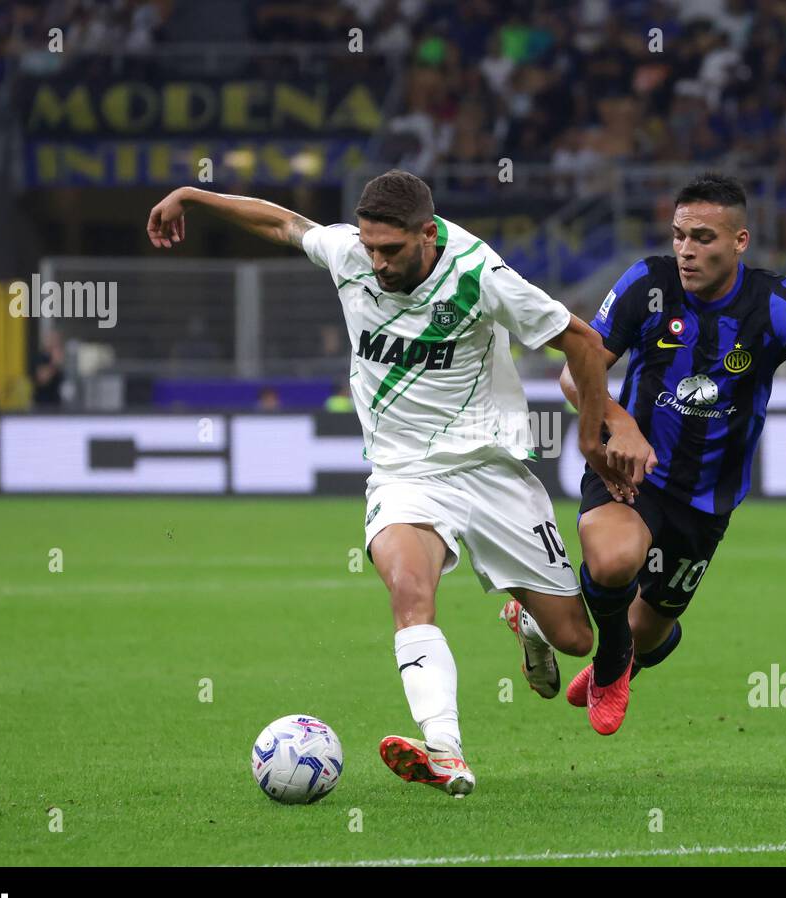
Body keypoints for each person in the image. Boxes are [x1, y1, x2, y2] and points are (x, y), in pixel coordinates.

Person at [147, 170, 651, 797]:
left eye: (391, 250)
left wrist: (588, 438)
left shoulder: (478, 275)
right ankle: (444, 748)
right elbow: (281, 222)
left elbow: (580, 339)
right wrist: (193, 196)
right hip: (404, 473)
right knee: (409, 591)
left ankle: (525, 619)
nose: (377, 262)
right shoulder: (353, 255)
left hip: (491, 469)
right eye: (369, 247)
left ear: (428, 234)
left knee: (575, 638)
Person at [501, 173, 786, 735]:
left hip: (706, 499)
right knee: (611, 563)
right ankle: (610, 665)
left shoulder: (774, 304)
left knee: (650, 639)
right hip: (632, 469)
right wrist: (622, 423)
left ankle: (573, 630)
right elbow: (573, 374)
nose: (685, 249)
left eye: (703, 237)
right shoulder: (646, 283)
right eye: (679, 234)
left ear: (739, 241)